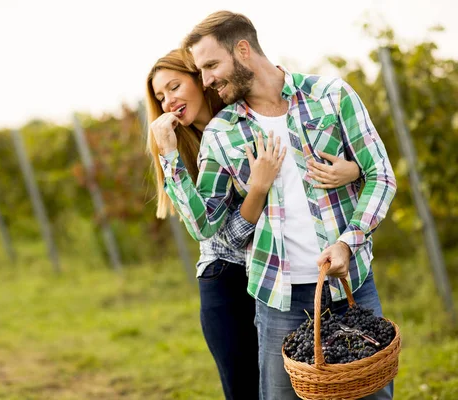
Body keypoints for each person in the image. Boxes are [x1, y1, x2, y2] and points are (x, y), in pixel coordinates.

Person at [153, 10, 397, 399]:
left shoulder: (331, 96)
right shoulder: (221, 132)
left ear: (244, 50)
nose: (208, 80)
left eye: (212, 65)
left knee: (371, 394)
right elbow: (205, 227)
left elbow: (381, 176)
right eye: (201, 71)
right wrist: (168, 157)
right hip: (277, 296)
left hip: (351, 281)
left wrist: (348, 242)